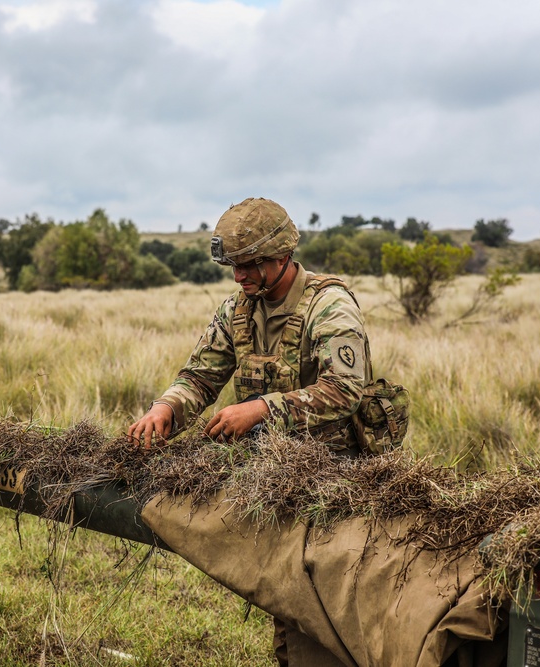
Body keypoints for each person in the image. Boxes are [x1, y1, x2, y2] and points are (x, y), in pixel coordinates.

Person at [127, 197, 372, 666]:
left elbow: (345, 391)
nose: (238, 277)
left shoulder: (331, 306)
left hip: (338, 480)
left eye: (247, 266)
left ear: (279, 257)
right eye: (234, 267)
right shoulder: (237, 310)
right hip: (275, 478)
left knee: (327, 601)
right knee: (286, 599)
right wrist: (164, 409)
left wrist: (260, 409)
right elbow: (199, 377)